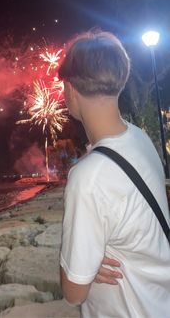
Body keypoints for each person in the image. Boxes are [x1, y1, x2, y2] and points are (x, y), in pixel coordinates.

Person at [59, 31, 170, 317]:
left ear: (70, 89)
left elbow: (73, 293)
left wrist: (84, 264)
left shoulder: (87, 178)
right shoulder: (139, 139)